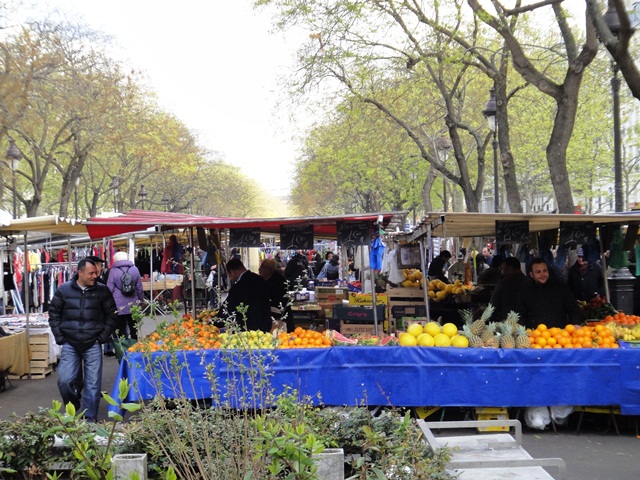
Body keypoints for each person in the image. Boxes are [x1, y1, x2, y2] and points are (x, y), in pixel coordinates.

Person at [48, 258, 118, 422]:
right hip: (70, 343)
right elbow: (54, 314)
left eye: (96, 272)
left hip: (92, 343)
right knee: (64, 381)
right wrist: (60, 337)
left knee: (93, 384)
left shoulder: (102, 291)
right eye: (91, 273)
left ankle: (89, 418)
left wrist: (101, 338)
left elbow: (112, 316)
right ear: (80, 273)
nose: (95, 276)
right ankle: (74, 408)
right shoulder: (64, 290)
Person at [516, 257, 580, 329]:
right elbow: (521, 314)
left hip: (560, 335)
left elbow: (573, 309)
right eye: (538, 272)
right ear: (531, 274)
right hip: (535, 335)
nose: (542, 274)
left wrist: (576, 323)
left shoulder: (561, 288)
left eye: (545, 271)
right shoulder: (525, 292)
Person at [223, 258, 272, 332]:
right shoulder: (260, 280)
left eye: (229, 275)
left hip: (248, 328)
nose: (230, 278)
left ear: (233, 272)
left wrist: (214, 320)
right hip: (265, 324)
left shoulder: (238, 287)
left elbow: (228, 308)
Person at [107, 251, 145, 341]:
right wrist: (141, 299)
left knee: (121, 328)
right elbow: (139, 287)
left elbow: (109, 289)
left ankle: (123, 349)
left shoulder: (113, 271)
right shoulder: (135, 269)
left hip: (118, 305)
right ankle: (135, 346)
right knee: (134, 327)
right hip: (133, 302)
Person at [490, 257, 527, 322]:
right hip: (527, 322)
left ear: (510, 268)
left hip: (506, 320)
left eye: (504, 268)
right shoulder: (529, 282)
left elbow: (494, 304)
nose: (503, 271)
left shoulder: (503, 283)